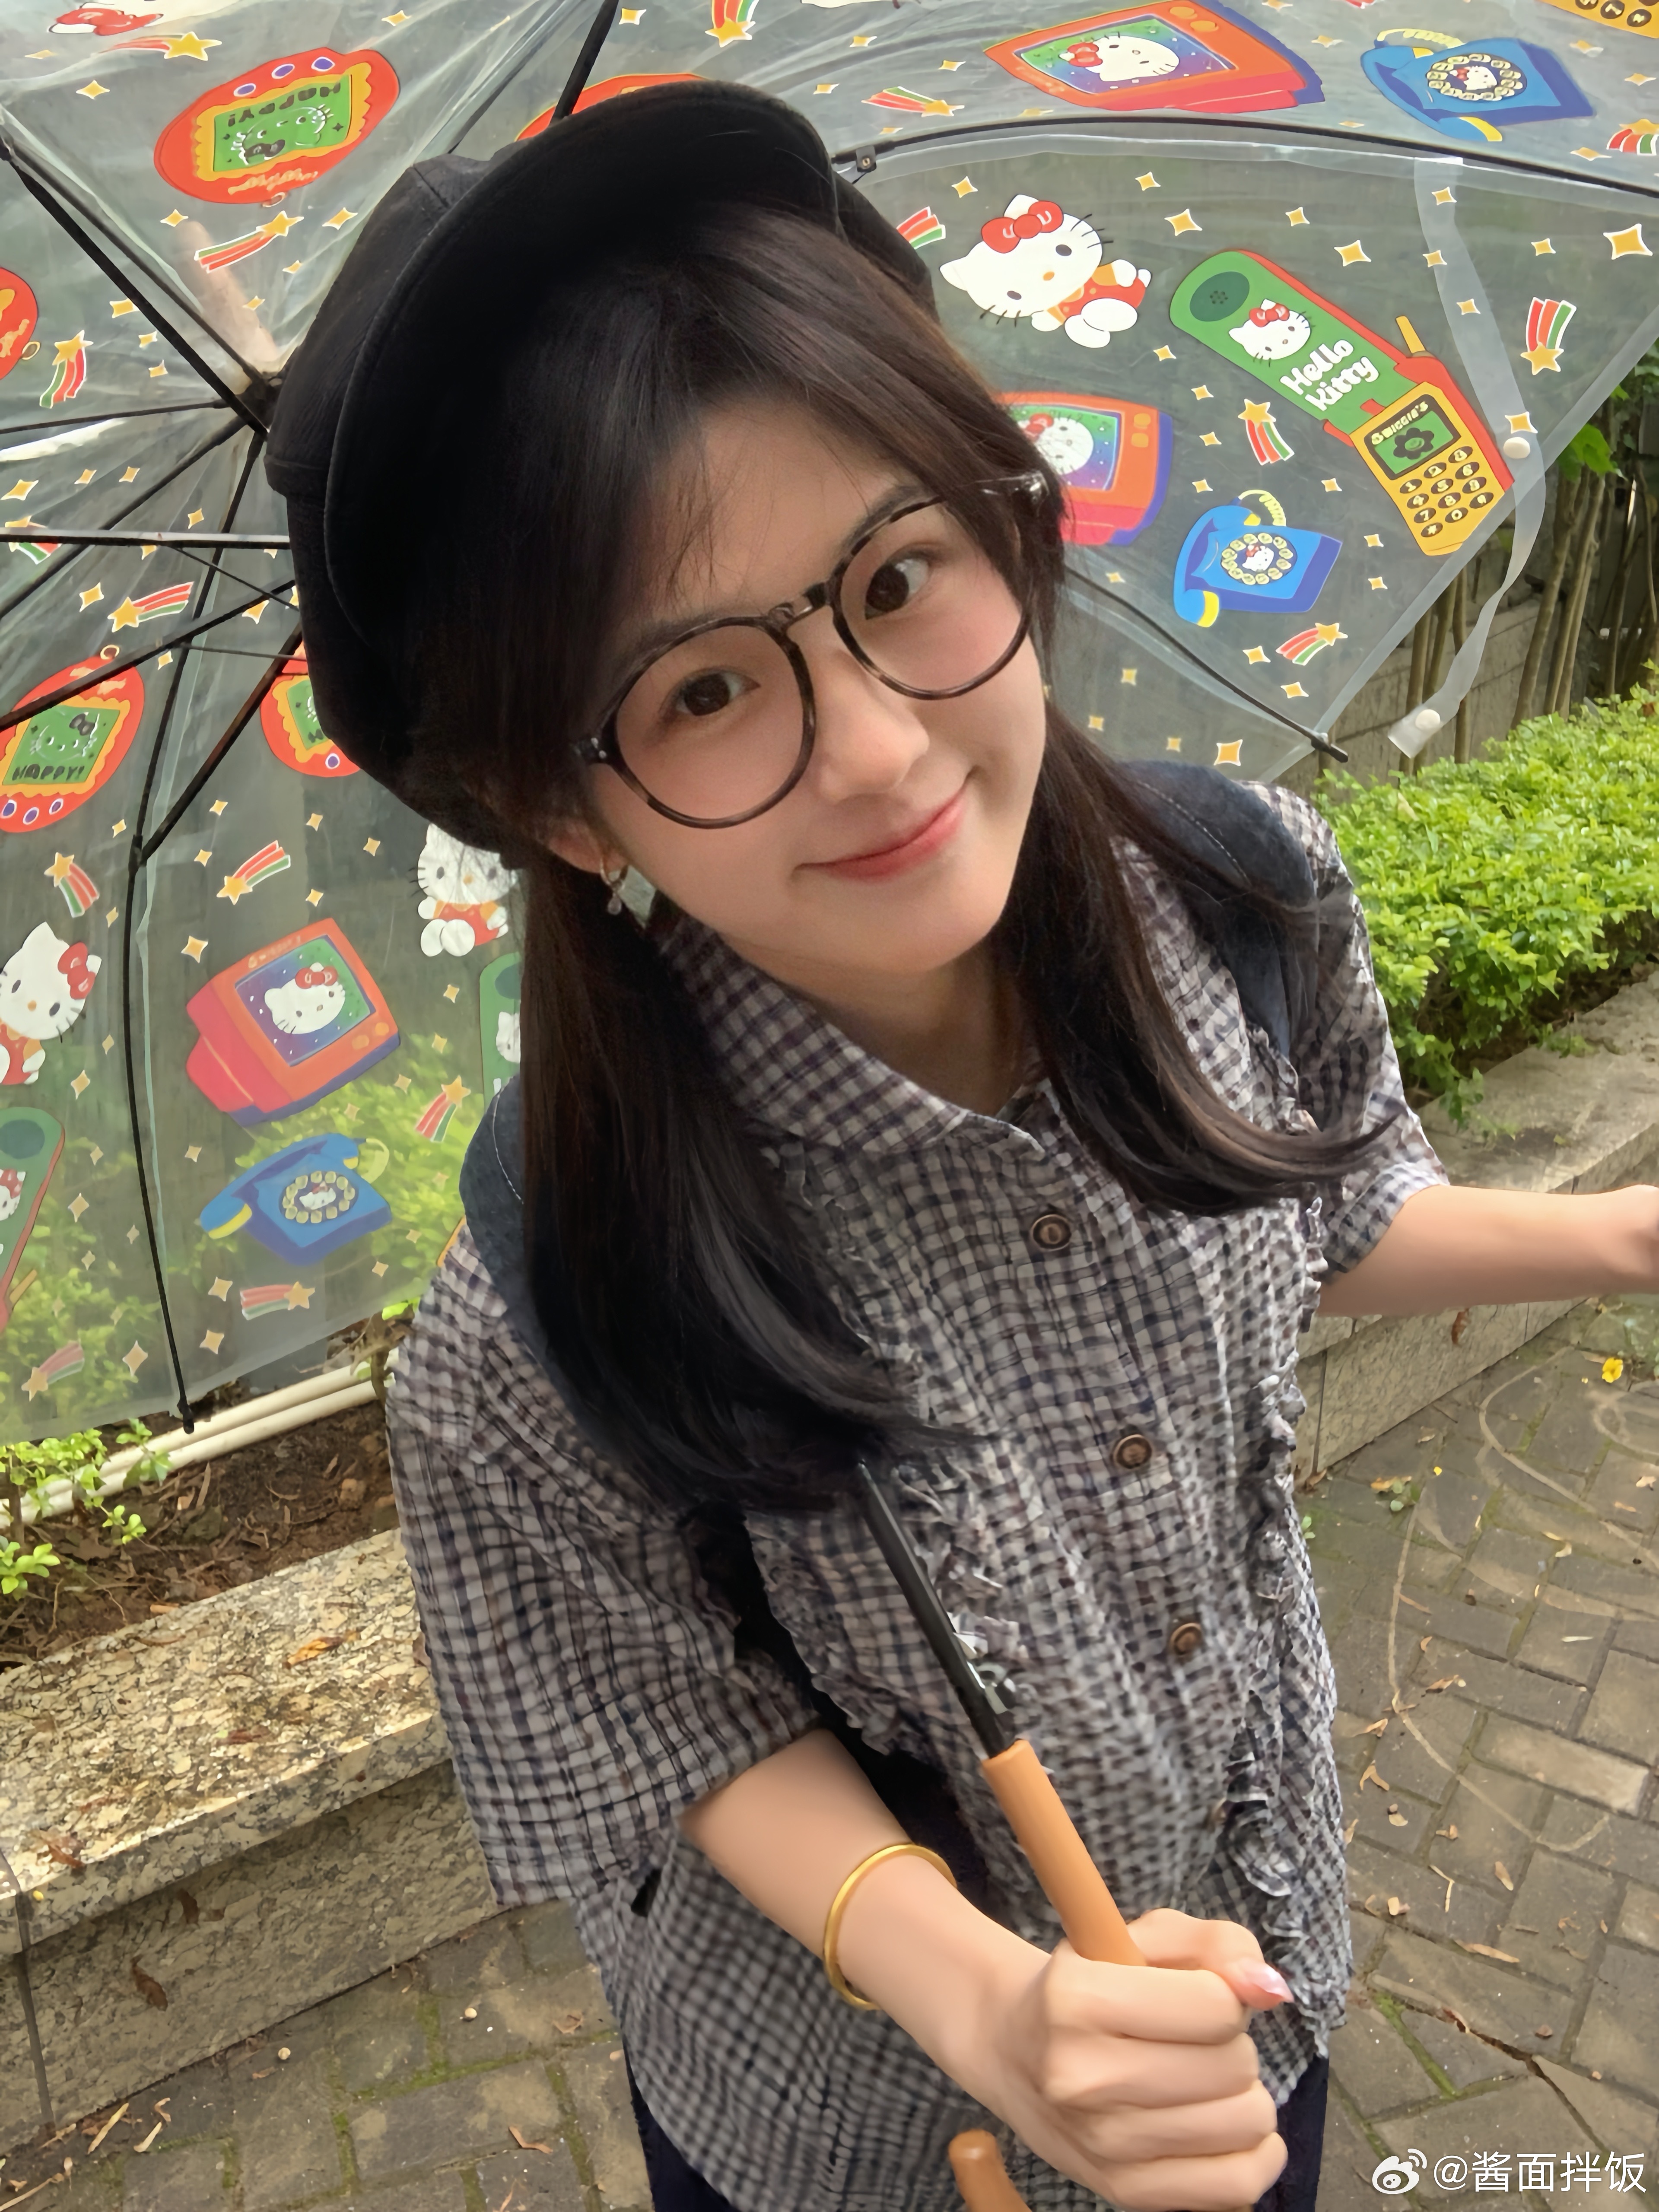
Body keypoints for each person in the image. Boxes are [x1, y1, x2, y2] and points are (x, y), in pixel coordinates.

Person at [267, 82, 1659, 2212]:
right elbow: (669, 1724)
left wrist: (1624, 1237)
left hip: (1252, 1961)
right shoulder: (547, 1303)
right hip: (873, 2130)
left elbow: (1321, 1206)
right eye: (702, 692)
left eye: (898, 574)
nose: (878, 745)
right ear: (560, 801)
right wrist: (995, 2007)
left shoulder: (1245, 896)